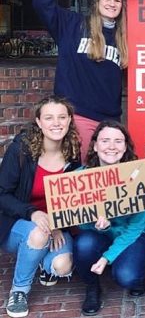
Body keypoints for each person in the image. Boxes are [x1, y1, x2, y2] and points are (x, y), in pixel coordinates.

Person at [32, 0, 128, 162]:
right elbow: (42, 4)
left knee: (103, 177)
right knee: (82, 175)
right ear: (96, 2)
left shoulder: (125, 36)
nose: (112, 4)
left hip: (110, 121)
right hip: (78, 116)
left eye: (117, 0)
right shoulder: (72, 24)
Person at [0, 95, 81, 318]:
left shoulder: (72, 152)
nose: (56, 123)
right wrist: (32, 212)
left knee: (62, 266)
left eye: (62, 117)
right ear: (38, 122)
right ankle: (19, 291)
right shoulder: (21, 151)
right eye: (49, 117)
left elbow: (71, 198)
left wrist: (57, 226)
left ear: (69, 120)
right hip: (17, 224)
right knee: (38, 234)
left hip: (53, 225)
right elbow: (1, 194)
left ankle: (36, 259)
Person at [73, 120, 145, 316]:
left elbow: (136, 226)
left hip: (133, 235)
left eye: (118, 141)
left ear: (125, 146)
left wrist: (108, 257)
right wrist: (100, 226)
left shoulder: (138, 176)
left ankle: (139, 271)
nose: (111, 147)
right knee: (83, 244)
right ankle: (92, 288)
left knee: (126, 277)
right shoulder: (79, 178)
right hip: (98, 236)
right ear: (95, 145)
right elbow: (81, 223)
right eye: (105, 140)